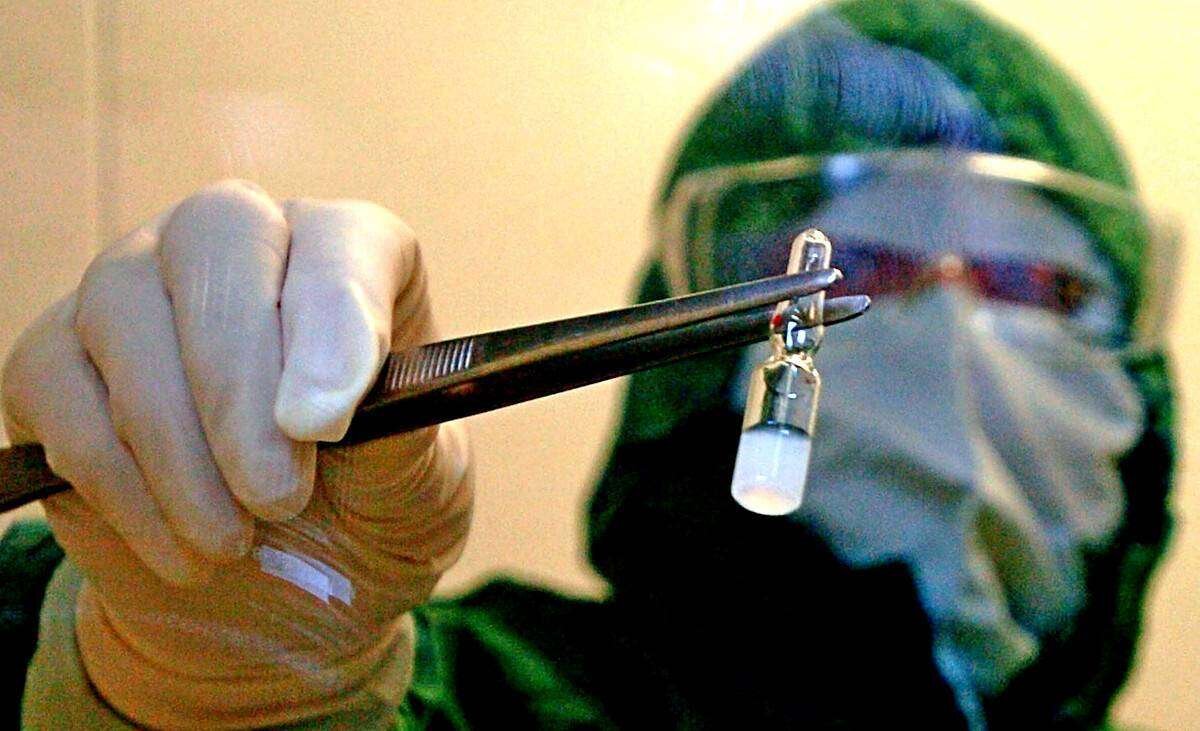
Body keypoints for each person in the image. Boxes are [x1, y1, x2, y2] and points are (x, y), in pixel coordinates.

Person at [0, 0, 1176, 728]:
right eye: (867, 264)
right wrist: (198, 690)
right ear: (695, 354)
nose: (948, 332)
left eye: (1043, 290)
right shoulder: (471, 701)